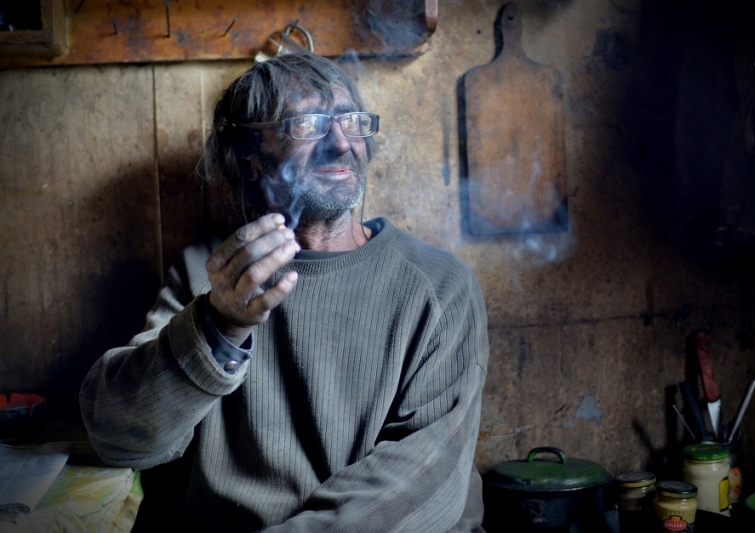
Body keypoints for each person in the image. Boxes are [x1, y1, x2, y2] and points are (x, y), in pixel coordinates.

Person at [80, 52, 489, 532]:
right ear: (250, 156)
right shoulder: (208, 276)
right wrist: (218, 326)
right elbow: (120, 438)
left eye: (351, 121)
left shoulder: (439, 286)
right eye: (308, 124)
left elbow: (419, 486)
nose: (340, 142)